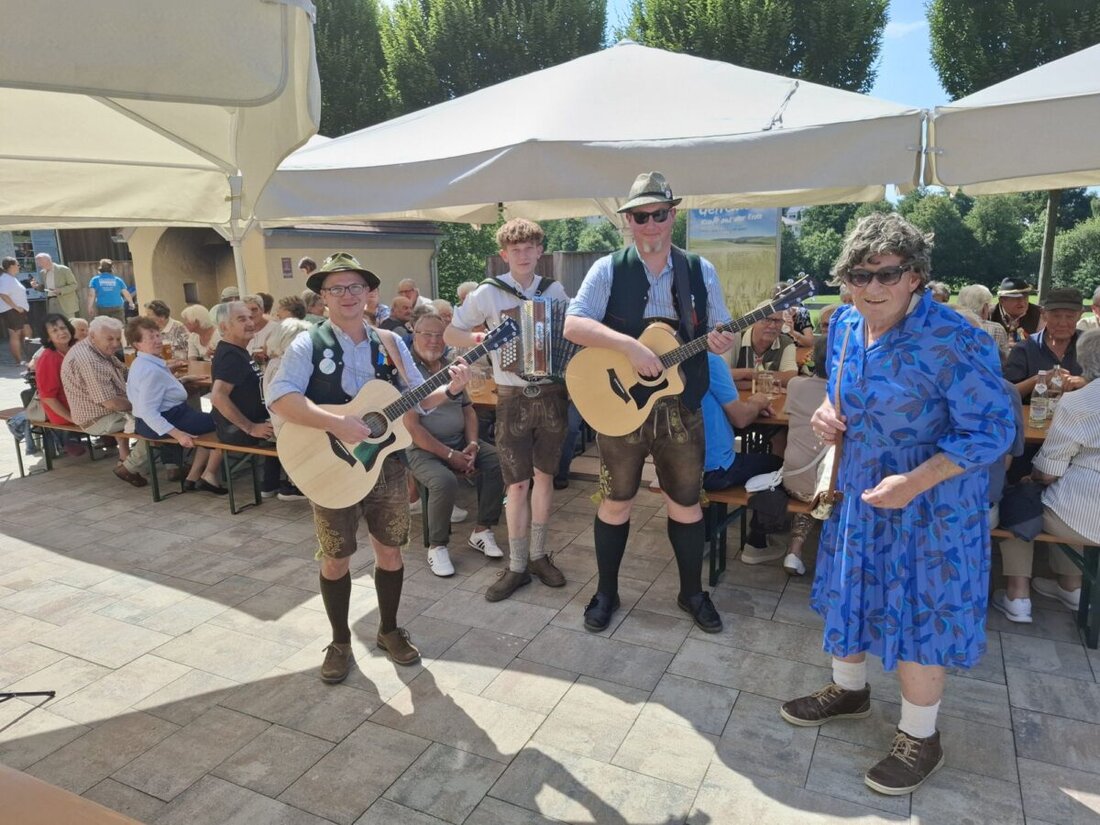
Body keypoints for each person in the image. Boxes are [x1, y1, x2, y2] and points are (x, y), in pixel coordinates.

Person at [778, 212, 1015, 796]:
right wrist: (826, 414)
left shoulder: (955, 337)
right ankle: (849, 690)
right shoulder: (844, 326)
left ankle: (920, 736)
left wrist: (914, 481)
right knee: (853, 590)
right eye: (860, 275)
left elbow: (993, 430)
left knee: (918, 614)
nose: (873, 287)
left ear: (915, 276)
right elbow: (839, 396)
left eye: (888, 274)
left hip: (932, 505)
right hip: (863, 493)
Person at [268, 252, 469, 682]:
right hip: (329, 465)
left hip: (386, 465)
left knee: (390, 550)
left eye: (355, 286)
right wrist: (336, 423)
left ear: (368, 293)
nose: (347, 295)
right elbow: (280, 398)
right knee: (335, 557)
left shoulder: (390, 341)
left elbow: (421, 399)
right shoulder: (307, 343)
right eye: (337, 288)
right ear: (323, 296)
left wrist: (451, 389)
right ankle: (340, 641)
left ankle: (389, 630)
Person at [563, 172, 736, 633]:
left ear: (673, 215)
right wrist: (630, 348)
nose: (651, 224)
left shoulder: (700, 270)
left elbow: (720, 329)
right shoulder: (607, 268)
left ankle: (691, 593)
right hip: (620, 408)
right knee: (615, 501)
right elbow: (573, 324)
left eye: (659, 214)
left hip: (681, 407)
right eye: (641, 217)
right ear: (629, 221)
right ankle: (606, 592)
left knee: (686, 504)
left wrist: (722, 340)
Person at [446, 218, 570, 602]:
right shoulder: (488, 293)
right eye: (515, 249)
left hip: (551, 392)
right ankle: (517, 565)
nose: (523, 254)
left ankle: (538, 556)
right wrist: (479, 337)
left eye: (529, 248)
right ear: (504, 254)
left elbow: (570, 333)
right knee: (516, 483)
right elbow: (451, 332)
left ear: (539, 251)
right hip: (512, 395)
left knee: (544, 477)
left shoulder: (555, 290)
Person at [993, 328, 1100, 623]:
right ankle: (1071, 586)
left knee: (1020, 501)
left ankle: (1018, 595)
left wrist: (1032, 478)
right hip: (1087, 511)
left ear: (1085, 361)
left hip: (1085, 513)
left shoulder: (1080, 402)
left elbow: (1048, 472)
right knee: (1069, 500)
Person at [405, 313, 505, 576]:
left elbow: (468, 409)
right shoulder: (406, 371)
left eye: (440, 335)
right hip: (422, 449)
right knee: (444, 481)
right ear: (414, 335)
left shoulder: (452, 366)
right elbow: (413, 428)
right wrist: (450, 455)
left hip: (459, 441)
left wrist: (472, 444)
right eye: (427, 334)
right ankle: (437, 546)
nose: (434, 340)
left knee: (497, 461)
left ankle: (482, 530)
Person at [124, 317, 226, 494]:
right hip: (167, 419)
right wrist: (179, 435)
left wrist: (183, 380)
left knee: (213, 420)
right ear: (137, 344)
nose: (157, 340)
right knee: (223, 423)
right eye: (150, 337)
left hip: (164, 417)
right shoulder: (150, 370)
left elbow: (160, 391)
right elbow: (148, 411)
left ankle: (194, 476)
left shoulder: (142, 362)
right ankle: (207, 475)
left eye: (158, 335)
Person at [700, 352, 781, 563]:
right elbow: (742, 419)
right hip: (715, 471)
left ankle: (704, 538)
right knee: (779, 466)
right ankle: (757, 543)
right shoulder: (709, 360)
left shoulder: (659, 359)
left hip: (677, 468)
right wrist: (758, 402)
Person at [208, 301, 286, 498]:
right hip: (238, 431)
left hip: (253, 423)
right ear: (224, 327)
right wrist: (251, 427)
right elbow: (218, 397)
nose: (250, 323)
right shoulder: (230, 356)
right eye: (242, 319)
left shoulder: (237, 350)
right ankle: (296, 486)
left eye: (251, 317)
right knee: (299, 430)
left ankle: (270, 484)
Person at [61, 316, 150, 486]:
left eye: (118, 338)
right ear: (92, 336)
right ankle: (129, 467)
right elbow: (111, 403)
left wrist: (157, 371)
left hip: (107, 412)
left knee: (160, 415)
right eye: (110, 339)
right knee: (158, 423)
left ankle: (138, 461)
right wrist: (145, 403)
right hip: (97, 418)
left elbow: (126, 372)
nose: (116, 344)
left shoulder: (99, 349)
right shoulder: (89, 359)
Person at [779, 336, 829, 576]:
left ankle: (795, 549)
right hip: (832, 489)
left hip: (793, 480)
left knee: (812, 483)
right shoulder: (853, 394)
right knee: (825, 484)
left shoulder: (796, 385)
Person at [1003, 287, 1086, 402]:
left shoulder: (1093, 345)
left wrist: (1086, 382)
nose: (1062, 323)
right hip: (1034, 413)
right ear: (1043, 314)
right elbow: (1005, 394)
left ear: (1080, 315)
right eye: (1056, 316)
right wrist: (1039, 380)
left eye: (1070, 316)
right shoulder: (1024, 349)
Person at [33, 314, 85, 457]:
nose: (61, 332)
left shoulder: (75, 348)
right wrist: (72, 419)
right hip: (64, 411)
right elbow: (48, 397)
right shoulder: (48, 357)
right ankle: (68, 438)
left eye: (63, 328)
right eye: (55, 330)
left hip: (82, 405)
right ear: (48, 337)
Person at [730, 303, 798, 392]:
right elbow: (719, 376)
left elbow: (790, 378)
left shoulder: (786, 343)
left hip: (770, 400)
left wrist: (743, 376)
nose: (772, 325)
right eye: (766, 319)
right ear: (754, 321)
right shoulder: (734, 339)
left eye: (778, 321)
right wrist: (751, 374)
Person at [955, 284, 1010, 357]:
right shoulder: (996, 329)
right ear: (984, 308)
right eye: (989, 305)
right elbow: (1005, 359)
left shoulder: (949, 324)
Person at [990, 277, 1042, 343]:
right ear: (1002, 301)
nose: (1022, 302)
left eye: (1025, 297)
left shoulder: (1040, 314)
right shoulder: (989, 314)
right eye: (1017, 298)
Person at [32, 253, 80, 320]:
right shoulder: (42, 272)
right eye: (38, 263)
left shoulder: (63, 269)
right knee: (54, 323)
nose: (39, 265)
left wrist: (60, 290)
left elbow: (74, 285)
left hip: (65, 303)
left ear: (48, 260)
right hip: (51, 302)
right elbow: (44, 288)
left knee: (68, 323)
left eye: (40, 262)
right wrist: (36, 286)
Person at [0, 256, 30, 365]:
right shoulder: (5, 278)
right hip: (12, 311)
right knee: (15, 334)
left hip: (19, 311)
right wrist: (16, 307)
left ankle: (28, 357)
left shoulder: (11, 278)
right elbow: (3, 294)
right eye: (17, 264)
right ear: (11, 266)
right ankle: (19, 361)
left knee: (27, 331)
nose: (19, 266)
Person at [242, 293, 276, 359]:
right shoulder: (243, 332)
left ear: (262, 310)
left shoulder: (275, 329)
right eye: (246, 311)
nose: (251, 314)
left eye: (254, 310)